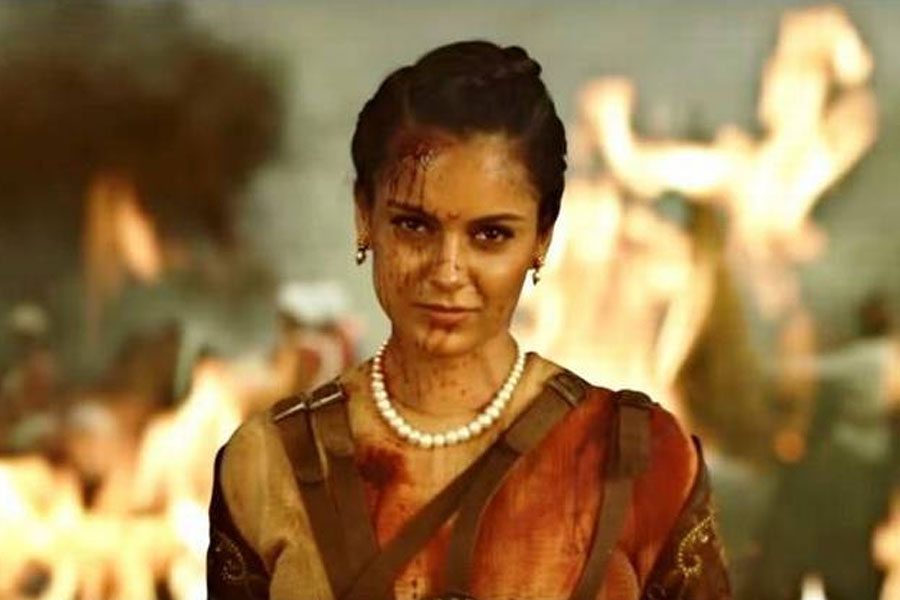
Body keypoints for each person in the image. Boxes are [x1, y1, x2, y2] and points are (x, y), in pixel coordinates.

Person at [207, 41, 730, 600]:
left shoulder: (640, 459)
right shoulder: (267, 465)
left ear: (542, 239)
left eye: (490, 235)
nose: (448, 271)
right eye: (414, 225)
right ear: (365, 216)